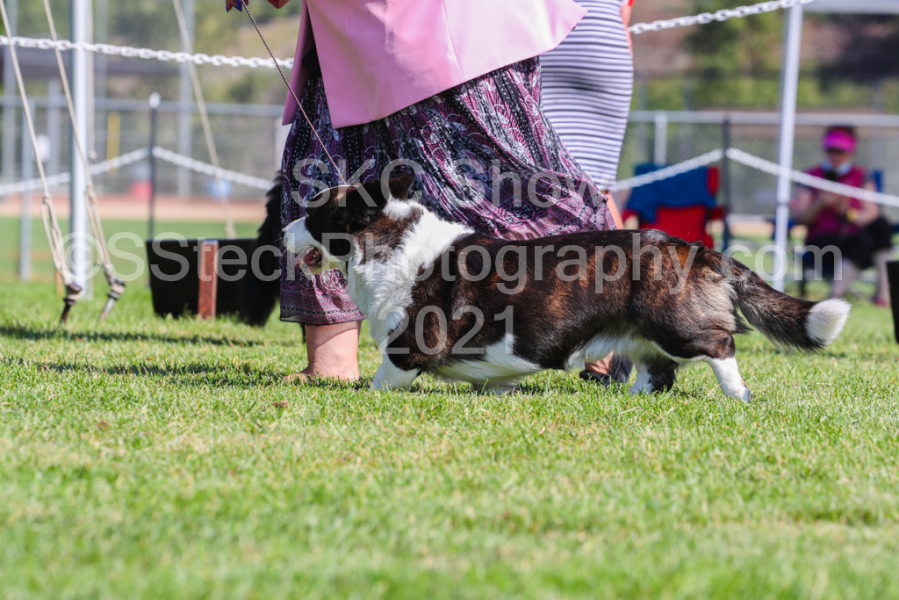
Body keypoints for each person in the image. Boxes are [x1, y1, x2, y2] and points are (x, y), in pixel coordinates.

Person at [232, 0, 620, 382]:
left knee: (503, 194)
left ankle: (613, 329)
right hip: (391, 38)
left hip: (434, 39)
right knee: (321, 184)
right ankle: (332, 361)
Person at [541, 0, 635, 384]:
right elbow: (623, 14)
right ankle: (613, 341)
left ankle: (603, 343)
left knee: (537, 189)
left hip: (546, 42)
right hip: (607, 48)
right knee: (597, 191)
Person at [791, 126, 893, 307]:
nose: (836, 156)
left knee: (879, 227)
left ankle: (883, 293)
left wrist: (846, 212)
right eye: (832, 150)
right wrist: (820, 203)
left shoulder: (861, 176)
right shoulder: (811, 176)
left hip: (857, 241)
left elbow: (871, 214)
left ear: (851, 151)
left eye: (841, 151)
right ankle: (834, 298)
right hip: (822, 242)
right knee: (862, 240)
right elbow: (799, 218)